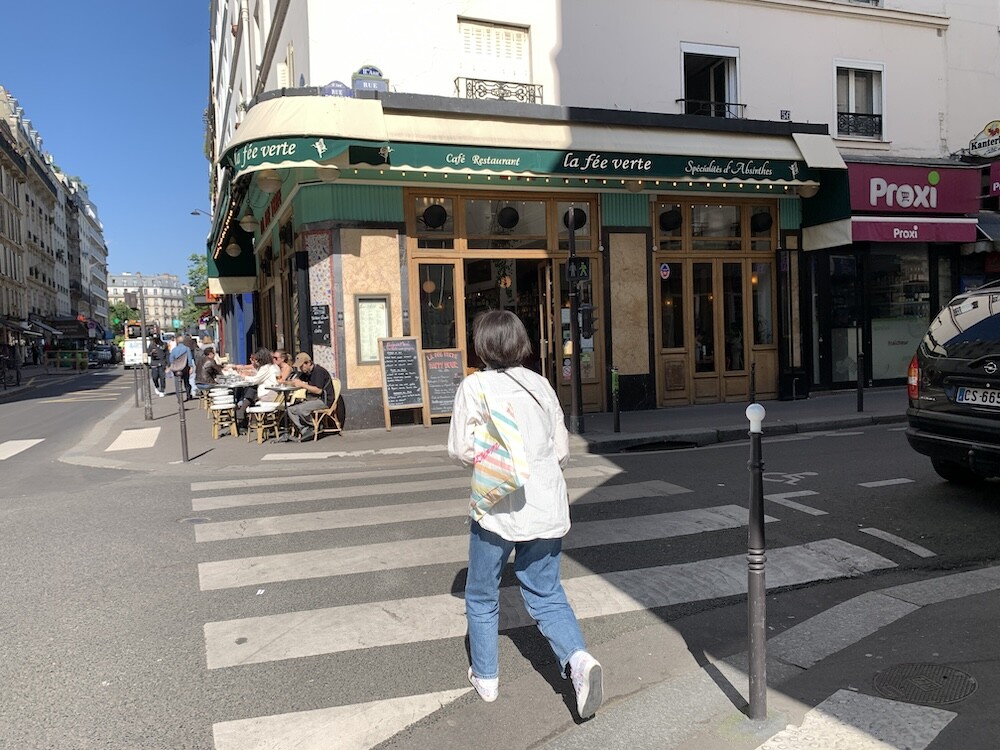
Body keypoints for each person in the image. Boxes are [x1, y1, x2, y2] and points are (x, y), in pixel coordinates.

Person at [447, 309, 603, 718]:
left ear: (482, 345)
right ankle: (578, 660)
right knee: (547, 593)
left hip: (497, 506)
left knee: (482, 593)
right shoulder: (540, 385)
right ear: (520, 343)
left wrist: (495, 455)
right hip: (546, 504)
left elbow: (461, 449)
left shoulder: (474, 386)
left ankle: (487, 678)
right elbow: (562, 450)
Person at [285, 352, 334, 442]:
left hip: (323, 400)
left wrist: (302, 385)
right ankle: (305, 429)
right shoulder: (307, 372)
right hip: (312, 399)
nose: (300, 369)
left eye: (301, 366)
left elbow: (318, 390)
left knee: (301, 409)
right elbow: (298, 380)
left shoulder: (318, 372)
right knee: (290, 409)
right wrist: (288, 382)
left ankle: (314, 426)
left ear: (308, 363)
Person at [234, 347, 279, 431]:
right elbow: (259, 377)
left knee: (251, 389)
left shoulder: (266, 367)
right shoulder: (271, 366)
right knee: (251, 390)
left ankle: (241, 411)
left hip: (268, 394)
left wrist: (244, 376)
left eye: (257, 359)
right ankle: (244, 413)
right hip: (272, 392)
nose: (256, 361)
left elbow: (255, 380)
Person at [168, 336, 194, 400]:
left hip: (177, 369)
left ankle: (179, 398)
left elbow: (171, 359)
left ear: (177, 341)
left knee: (177, 384)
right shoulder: (187, 348)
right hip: (185, 367)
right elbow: (189, 358)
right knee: (186, 382)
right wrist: (191, 366)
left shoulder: (174, 350)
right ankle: (188, 395)